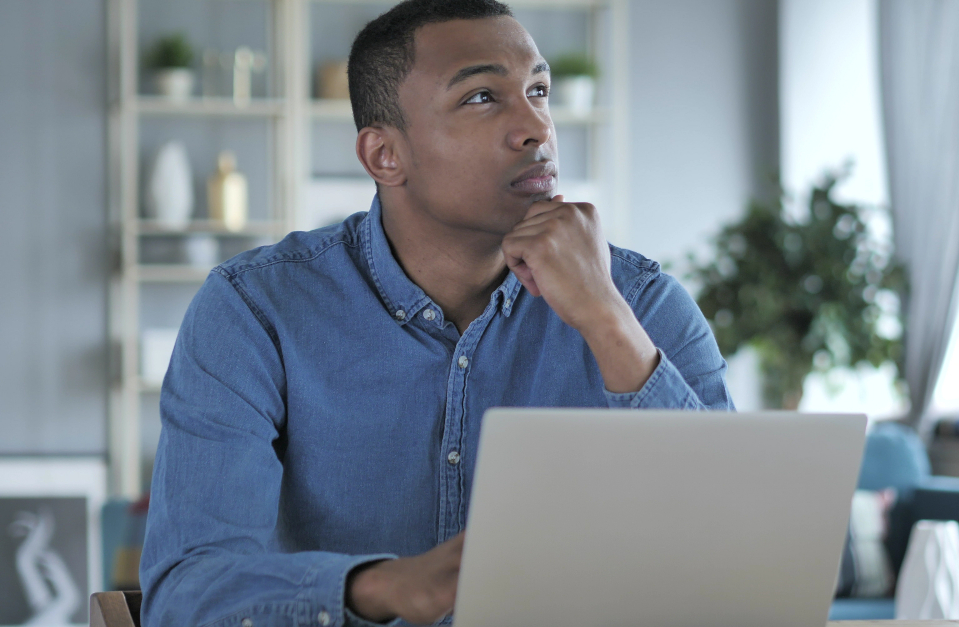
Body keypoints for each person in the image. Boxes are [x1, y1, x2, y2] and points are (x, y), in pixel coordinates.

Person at [139, 1, 732, 625]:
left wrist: (606, 320)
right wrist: (380, 587)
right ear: (384, 156)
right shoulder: (254, 310)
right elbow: (186, 594)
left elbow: (736, 554)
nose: (536, 128)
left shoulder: (640, 302)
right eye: (482, 97)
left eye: (539, 90)